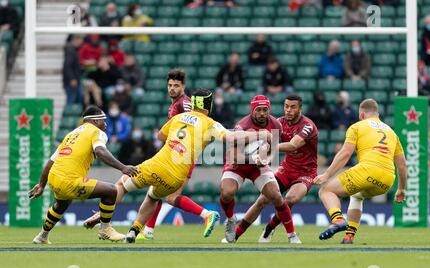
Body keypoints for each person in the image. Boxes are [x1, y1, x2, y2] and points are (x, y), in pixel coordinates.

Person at [97, 89, 272, 243]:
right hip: (176, 178)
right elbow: (232, 137)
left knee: (121, 185)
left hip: (156, 165)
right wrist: (260, 134)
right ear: (208, 105)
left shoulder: (178, 118)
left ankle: (103, 219)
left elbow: (160, 136)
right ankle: (133, 233)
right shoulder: (210, 124)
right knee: (152, 196)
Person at [83, 69, 213, 240]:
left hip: (181, 158)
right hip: (177, 156)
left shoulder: (185, 104)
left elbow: (193, 125)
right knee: (156, 192)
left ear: (183, 87)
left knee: (168, 196)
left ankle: (206, 215)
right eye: (170, 85)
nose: (172, 88)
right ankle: (148, 231)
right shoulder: (175, 104)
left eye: (176, 85)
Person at [29, 106, 138, 244]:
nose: (105, 124)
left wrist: (41, 185)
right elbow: (100, 152)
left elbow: (50, 162)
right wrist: (123, 167)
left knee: (60, 205)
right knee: (111, 191)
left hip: (53, 178)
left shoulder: (71, 135)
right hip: (69, 180)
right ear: (95, 121)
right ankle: (105, 230)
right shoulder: (96, 132)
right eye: (103, 121)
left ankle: (42, 236)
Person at [313, 99, 407, 244]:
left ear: (362, 114)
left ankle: (338, 220)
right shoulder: (391, 132)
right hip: (387, 181)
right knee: (357, 196)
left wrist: (327, 174)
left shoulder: (357, 126)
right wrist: (401, 189)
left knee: (326, 190)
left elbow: (345, 153)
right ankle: (349, 237)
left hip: (367, 171)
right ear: (378, 114)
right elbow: (402, 165)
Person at [235, 94, 318, 243]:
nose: (288, 110)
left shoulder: (307, 126)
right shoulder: (279, 122)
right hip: (286, 169)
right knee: (262, 200)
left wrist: (268, 146)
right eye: (286, 106)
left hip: (305, 172)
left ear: (300, 108)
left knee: (290, 199)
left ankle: (269, 228)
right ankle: (234, 235)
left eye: (293, 107)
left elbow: (293, 145)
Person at [219, 95, 301, 244]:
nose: (262, 113)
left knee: (276, 196)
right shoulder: (242, 126)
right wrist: (255, 159)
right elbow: (235, 157)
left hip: (257, 167)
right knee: (226, 193)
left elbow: (272, 149)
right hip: (238, 165)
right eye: (258, 110)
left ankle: (292, 235)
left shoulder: (276, 125)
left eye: (265, 109)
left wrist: (266, 160)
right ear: (252, 111)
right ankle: (231, 219)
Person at [63, 35, 84, 105]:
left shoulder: (72, 50)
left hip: (74, 80)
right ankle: (67, 115)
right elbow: (67, 66)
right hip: (71, 82)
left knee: (76, 99)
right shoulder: (71, 50)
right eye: (81, 40)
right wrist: (72, 78)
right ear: (76, 40)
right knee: (71, 101)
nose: (81, 42)